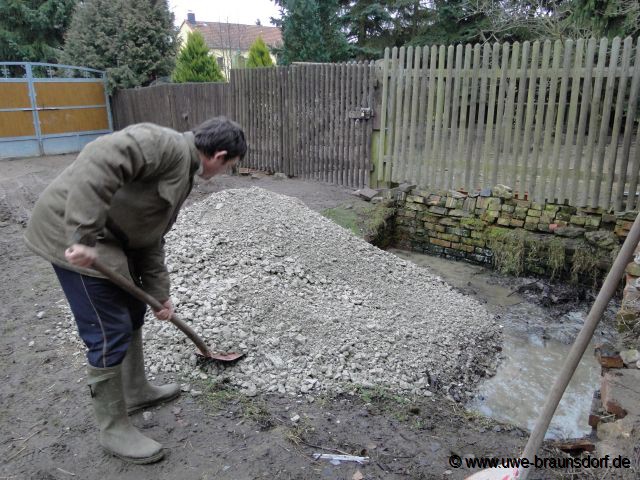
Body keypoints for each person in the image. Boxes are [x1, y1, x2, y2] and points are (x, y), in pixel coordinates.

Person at [24, 117, 247, 464]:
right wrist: (81, 236)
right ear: (219, 155)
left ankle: (136, 389)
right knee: (107, 329)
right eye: (229, 167)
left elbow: (150, 237)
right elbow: (97, 157)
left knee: (132, 310)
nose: (224, 172)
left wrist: (160, 293)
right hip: (70, 236)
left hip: (110, 242)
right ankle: (113, 428)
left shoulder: (184, 172)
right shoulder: (164, 143)